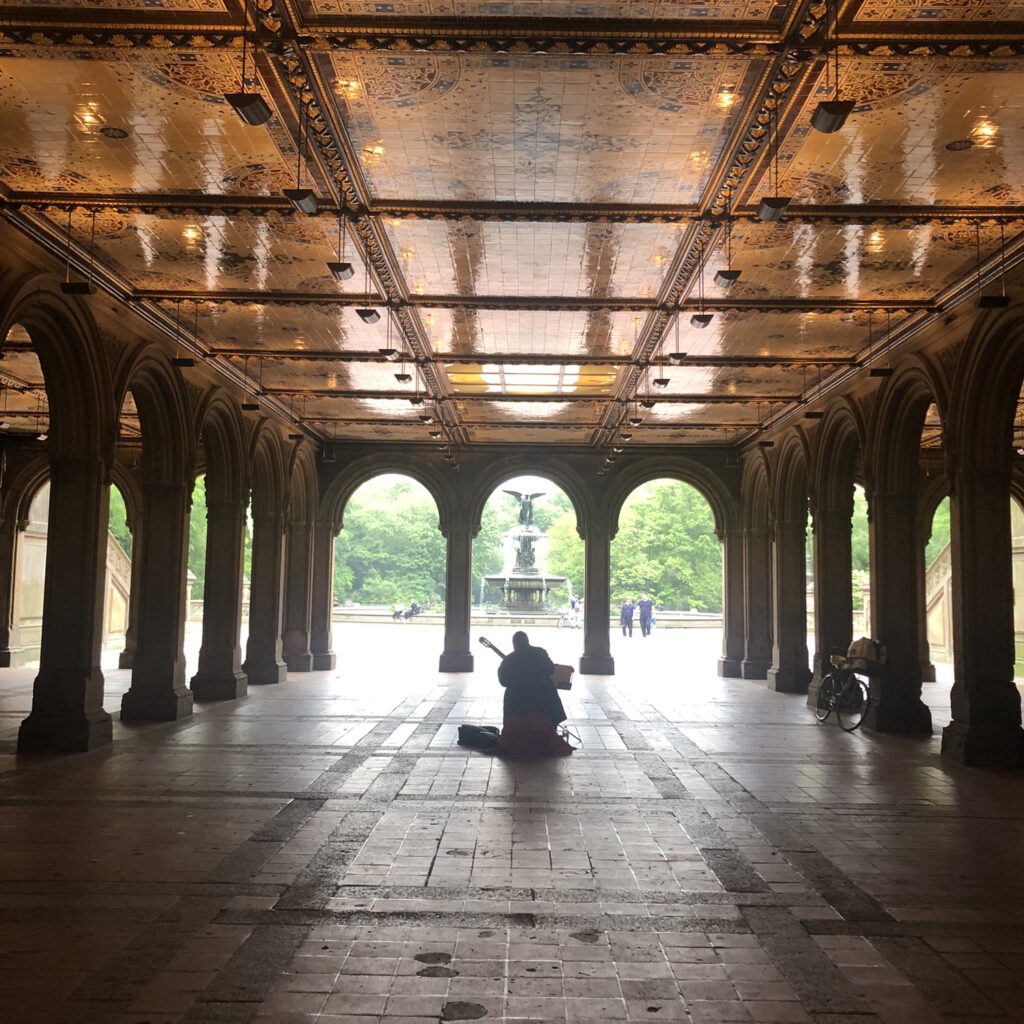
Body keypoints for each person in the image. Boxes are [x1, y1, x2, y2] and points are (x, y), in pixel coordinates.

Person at [497, 631, 573, 757]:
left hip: (517, 698)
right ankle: (547, 739)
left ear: (514, 644)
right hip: (543, 695)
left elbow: (503, 681)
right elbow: (550, 669)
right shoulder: (540, 653)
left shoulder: (509, 659)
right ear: (527, 641)